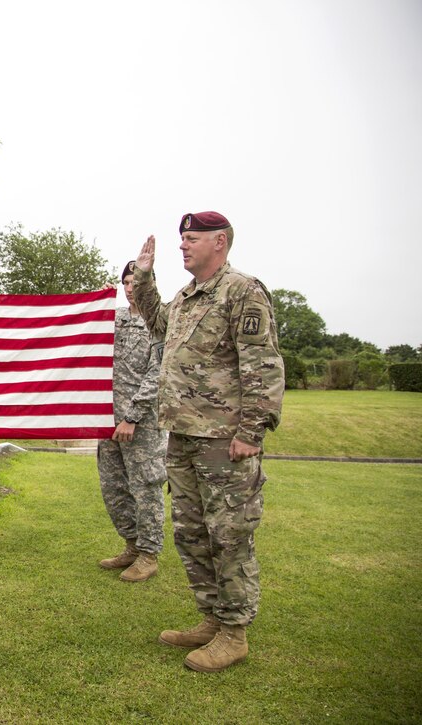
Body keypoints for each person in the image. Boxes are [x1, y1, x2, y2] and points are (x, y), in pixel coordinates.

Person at [132, 211, 284, 673]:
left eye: (192, 238)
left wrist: (251, 431)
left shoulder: (242, 290)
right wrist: (142, 278)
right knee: (192, 532)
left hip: (223, 438)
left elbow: (261, 363)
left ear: (220, 242)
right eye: (181, 239)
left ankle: (234, 633)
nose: (183, 245)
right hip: (182, 434)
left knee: (229, 533)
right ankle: (210, 620)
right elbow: (159, 325)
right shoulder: (187, 296)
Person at [97, 261, 168, 582]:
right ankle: (132, 545)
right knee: (114, 487)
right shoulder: (114, 320)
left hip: (142, 424)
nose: (129, 288)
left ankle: (149, 554)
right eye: (125, 282)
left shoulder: (161, 322)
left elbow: (159, 373)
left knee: (146, 487)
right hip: (106, 419)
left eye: (135, 281)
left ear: (149, 283)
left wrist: (133, 416)